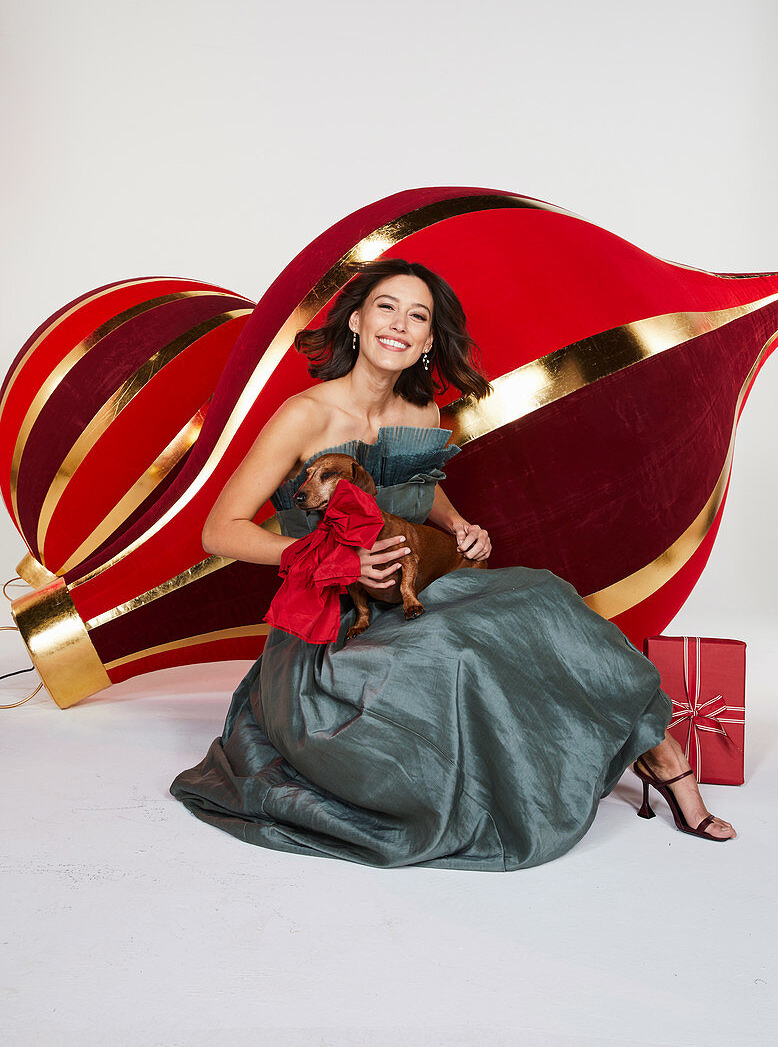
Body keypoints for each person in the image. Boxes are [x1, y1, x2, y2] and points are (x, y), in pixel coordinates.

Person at [170, 258, 736, 869]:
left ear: (429, 341)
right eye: (386, 307)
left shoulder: (421, 413)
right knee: (460, 647)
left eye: (419, 316)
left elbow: (415, 488)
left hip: (412, 593)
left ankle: (661, 753)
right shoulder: (306, 415)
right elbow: (218, 532)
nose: (400, 324)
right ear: (356, 321)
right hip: (333, 627)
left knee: (542, 597)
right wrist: (340, 562)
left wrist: (460, 525)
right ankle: (620, 768)